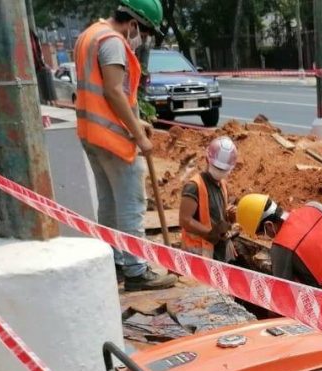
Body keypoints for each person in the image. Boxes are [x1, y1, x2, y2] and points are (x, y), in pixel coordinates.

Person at [74, 0, 177, 291]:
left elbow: (105, 92)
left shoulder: (90, 34)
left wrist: (136, 121)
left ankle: (116, 262)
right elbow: (113, 91)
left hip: (91, 132)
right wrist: (139, 135)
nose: (140, 40)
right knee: (131, 204)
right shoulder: (113, 42)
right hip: (111, 137)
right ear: (133, 24)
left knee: (109, 203)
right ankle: (136, 270)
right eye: (142, 33)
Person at [235, 194, 322, 302]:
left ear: (269, 226)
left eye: (260, 233)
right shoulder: (315, 207)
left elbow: (284, 296)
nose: (262, 237)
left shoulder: (281, 247)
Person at [178, 137, 239, 261]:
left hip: (219, 250)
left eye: (224, 169)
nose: (220, 172)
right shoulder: (194, 186)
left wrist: (230, 217)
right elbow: (184, 220)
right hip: (198, 252)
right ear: (207, 160)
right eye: (218, 168)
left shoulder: (222, 185)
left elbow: (218, 216)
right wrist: (210, 234)